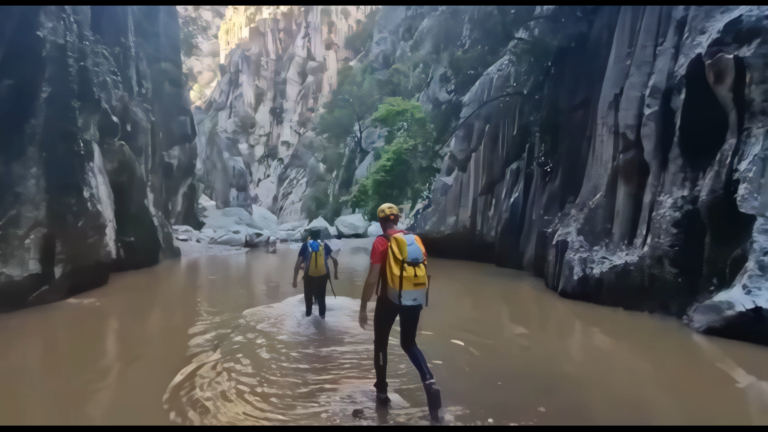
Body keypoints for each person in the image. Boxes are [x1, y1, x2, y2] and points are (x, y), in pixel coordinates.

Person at [358, 203, 442, 424]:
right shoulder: (413, 240)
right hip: (413, 298)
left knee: (381, 344)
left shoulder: (381, 241)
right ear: (398, 219)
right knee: (409, 343)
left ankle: (382, 394)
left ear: (381, 221)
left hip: (388, 299)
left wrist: (363, 306)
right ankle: (430, 382)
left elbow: (373, 279)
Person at [292, 229, 338, 319]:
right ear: (319, 236)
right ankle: (322, 320)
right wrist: (336, 274)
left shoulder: (306, 245)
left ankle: (308, 321)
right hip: (323, 276)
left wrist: (294, 281)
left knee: (308, 300)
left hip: (309, 276)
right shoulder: (324, 245)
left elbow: (297, 265)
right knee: (321, 299)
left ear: (310, 236)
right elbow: (335, 260)